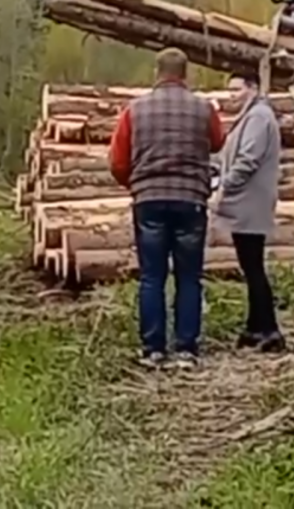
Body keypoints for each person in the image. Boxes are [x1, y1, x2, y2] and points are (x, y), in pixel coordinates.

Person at [109, 48, 225, 369]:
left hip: (149, 200)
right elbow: (218, 142)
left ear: (156, 73)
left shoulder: (134, 110)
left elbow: (118, 161)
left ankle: (153, 349)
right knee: (189, 277)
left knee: (151, 276)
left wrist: (134, 184)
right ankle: (186, 348)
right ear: (185, 74)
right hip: (191, 200)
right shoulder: (203, 109)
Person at [214, 72, 286, 352]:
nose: (232, 95)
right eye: (229, 90)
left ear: (253, 88)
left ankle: (268, 329)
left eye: (237, 89)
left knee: (253, 267)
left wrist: (225, 184)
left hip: (250, 202)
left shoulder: (258, 117)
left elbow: (248, 159)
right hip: (246, 202)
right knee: (250, 265)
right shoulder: (252, 114)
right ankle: (255, 326)